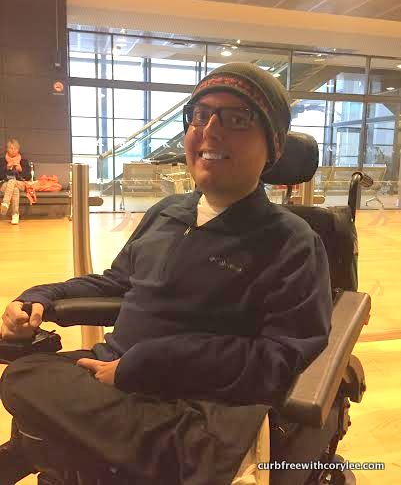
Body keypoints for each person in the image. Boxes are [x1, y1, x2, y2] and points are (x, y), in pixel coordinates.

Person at [0, 63, 333, 484]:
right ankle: (193, 459)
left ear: (274, 146)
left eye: (236, 119)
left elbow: (278, 360)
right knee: (25, 375)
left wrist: (149, 363)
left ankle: (188, 453)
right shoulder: (167, 213)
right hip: (113, 376)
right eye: (200, 115)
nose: (209, 130)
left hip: (198, 402)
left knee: (32, 388)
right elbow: (118, 283)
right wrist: (42, 297)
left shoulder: (292, 241)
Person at [0, 138, 31, 225]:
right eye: (11, 148)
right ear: (7, 149)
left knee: (12, 182)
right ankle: (15, 215)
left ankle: (5, 203)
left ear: (18, 150)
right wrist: (6, 168)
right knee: (14, 189)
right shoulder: (2, 161)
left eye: (15, 148)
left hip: (20, 183)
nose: (13, 150)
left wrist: (21, 170)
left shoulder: (23, 161)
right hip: (5, 184)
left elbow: (28, 177)